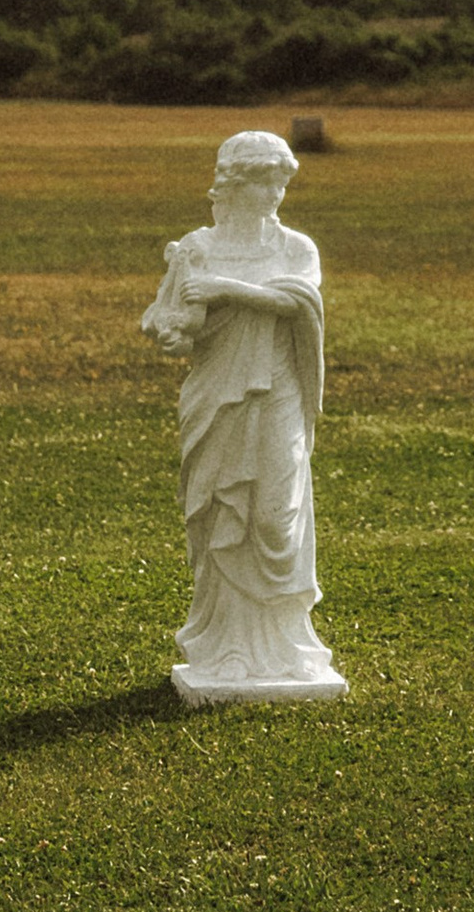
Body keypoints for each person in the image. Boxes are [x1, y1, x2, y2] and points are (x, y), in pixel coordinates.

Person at [140, 129, 347, 704]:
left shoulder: (296, 248)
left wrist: (225, 289)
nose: (274, 193)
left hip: (277, 390)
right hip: (216, 394)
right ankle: (227, 648)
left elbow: (297, 301)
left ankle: (283, 647)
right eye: (262, 180)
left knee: (275, 514)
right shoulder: (196, 249)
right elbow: (168, 321)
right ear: (232, 183)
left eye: (281, 181)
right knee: (219, 513)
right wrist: (170, 322)